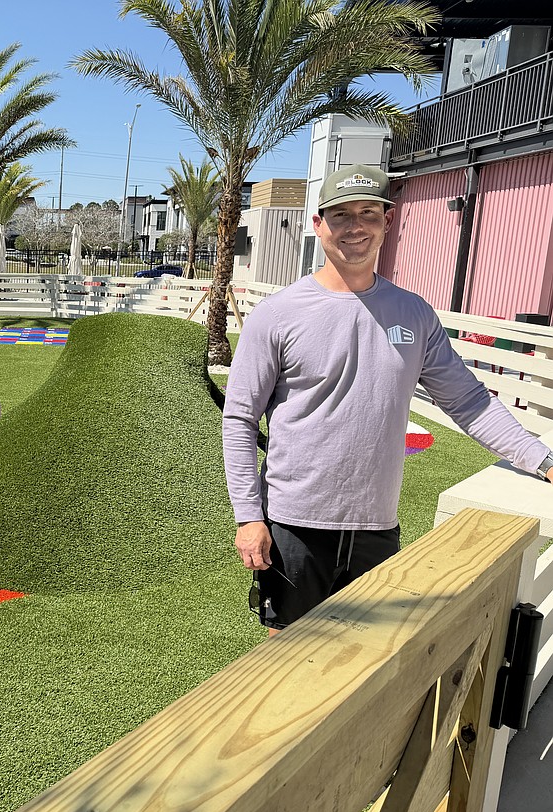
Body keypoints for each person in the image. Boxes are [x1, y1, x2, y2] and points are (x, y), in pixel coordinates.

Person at [221, 163, 553, 634]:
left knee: (367, 659)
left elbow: (469, 402)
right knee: (284, 657)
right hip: (293, 523)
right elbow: (238, 419)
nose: (355, 227)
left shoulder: (413, 314)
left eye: (369, 213)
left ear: (386, 223)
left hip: (375, 524)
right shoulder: (277, 315)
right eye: (341, 215)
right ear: (319, 225)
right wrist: (249, 516)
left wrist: (543, 460)